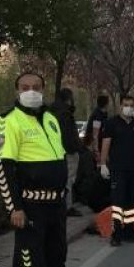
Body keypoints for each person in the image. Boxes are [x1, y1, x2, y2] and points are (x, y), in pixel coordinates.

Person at [0, 72, 92, 267]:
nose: (31, 91)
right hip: (30, 206)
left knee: (57, 256)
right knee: (32, 262)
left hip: (56, 204)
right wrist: (13, 207)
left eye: (36, 87)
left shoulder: (50, 119)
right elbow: (3, 168)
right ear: (17, 91)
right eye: (25, 87)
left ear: (44, 89)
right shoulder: (9, 122)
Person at [100, 94, 134, 246]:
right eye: (126, 105)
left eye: (131, 105)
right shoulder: (111, 123)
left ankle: (129, 231)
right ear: (120, 106)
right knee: (118, 202)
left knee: (132, 202)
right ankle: (117, 234)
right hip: (118, 170)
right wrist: (103, 164)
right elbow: (106, 144)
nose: (129, 108)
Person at [51, 87, 85, 218]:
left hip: (55, 151)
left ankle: (60, 205)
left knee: (60, 179)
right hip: (68, 151)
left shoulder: (52, 112)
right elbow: (68, 136)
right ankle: (67, 206)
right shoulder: (65, 114)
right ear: (69, 99)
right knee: (68, 180)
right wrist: (76, 148)